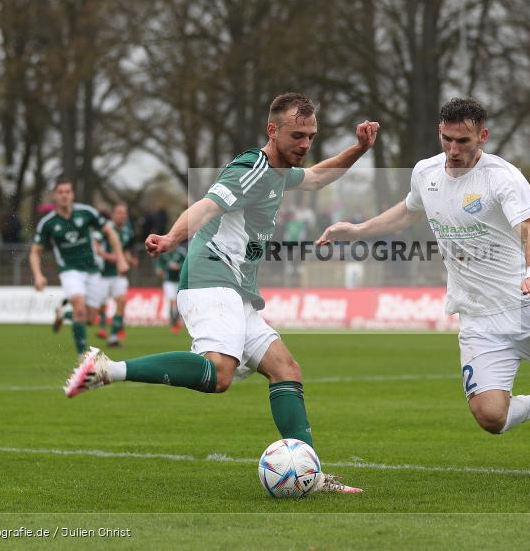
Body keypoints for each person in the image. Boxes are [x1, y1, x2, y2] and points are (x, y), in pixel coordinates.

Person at [317, 97, 530, 476]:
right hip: (478, 318)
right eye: (447, 139)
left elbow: (529, 230)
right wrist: (357, 230)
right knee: (490, 418)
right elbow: (408, 210)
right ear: (440, 132)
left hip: (528, 308)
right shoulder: (425, 172)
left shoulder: (503, 178)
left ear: (482, 136)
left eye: (463, 141)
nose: (453, 149)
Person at [62, 92, 379, 493]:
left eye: (311, 136)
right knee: (219, 373)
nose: (305, 144)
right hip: (211, 278)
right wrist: (173, 237)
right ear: (272, 130)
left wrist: (359, 149)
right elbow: (207, 206)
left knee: (286, 370)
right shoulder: (252, 167)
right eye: (297, 135)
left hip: (236, 289)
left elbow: (317, 178)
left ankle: (311, 477)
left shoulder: (280, 173)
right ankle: (107, 369)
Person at [30, 178, 129, 356]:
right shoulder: (48, 223)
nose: (64, 195)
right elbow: (35, 252)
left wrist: (120, 259)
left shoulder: (86, 213)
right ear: (55, 195)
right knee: (80, 307)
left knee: (90, 318)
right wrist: (38, 275)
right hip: (70, 270)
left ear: (72, 194)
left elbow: (110, 233)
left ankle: (63, 313)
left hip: (93, 270)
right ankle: (83, 357)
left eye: (67, 192)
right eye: (60, 192)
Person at [90, 203, 137, 347]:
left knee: (121, 301)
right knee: (99, 307)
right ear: (113, 215)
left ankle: (113, 337)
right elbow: (95, 245)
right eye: (119, 213)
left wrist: (130, 260)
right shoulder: (106, 229)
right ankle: (102, 327)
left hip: (118, 275)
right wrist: (109, 256)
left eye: (124, 213)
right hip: (102, 274)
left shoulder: (128, 231)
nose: (122, 215)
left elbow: (126, 250)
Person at [156, 242, 188, 335]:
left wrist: (179, 266)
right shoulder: (164, 254)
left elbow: (187, 263)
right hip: (168, 281)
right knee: (172, 302)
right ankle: (173, 323)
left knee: (177, 303)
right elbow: (159, 265)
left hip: (179, 281)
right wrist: (161, 269)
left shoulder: (181, 252)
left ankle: (176, 322)